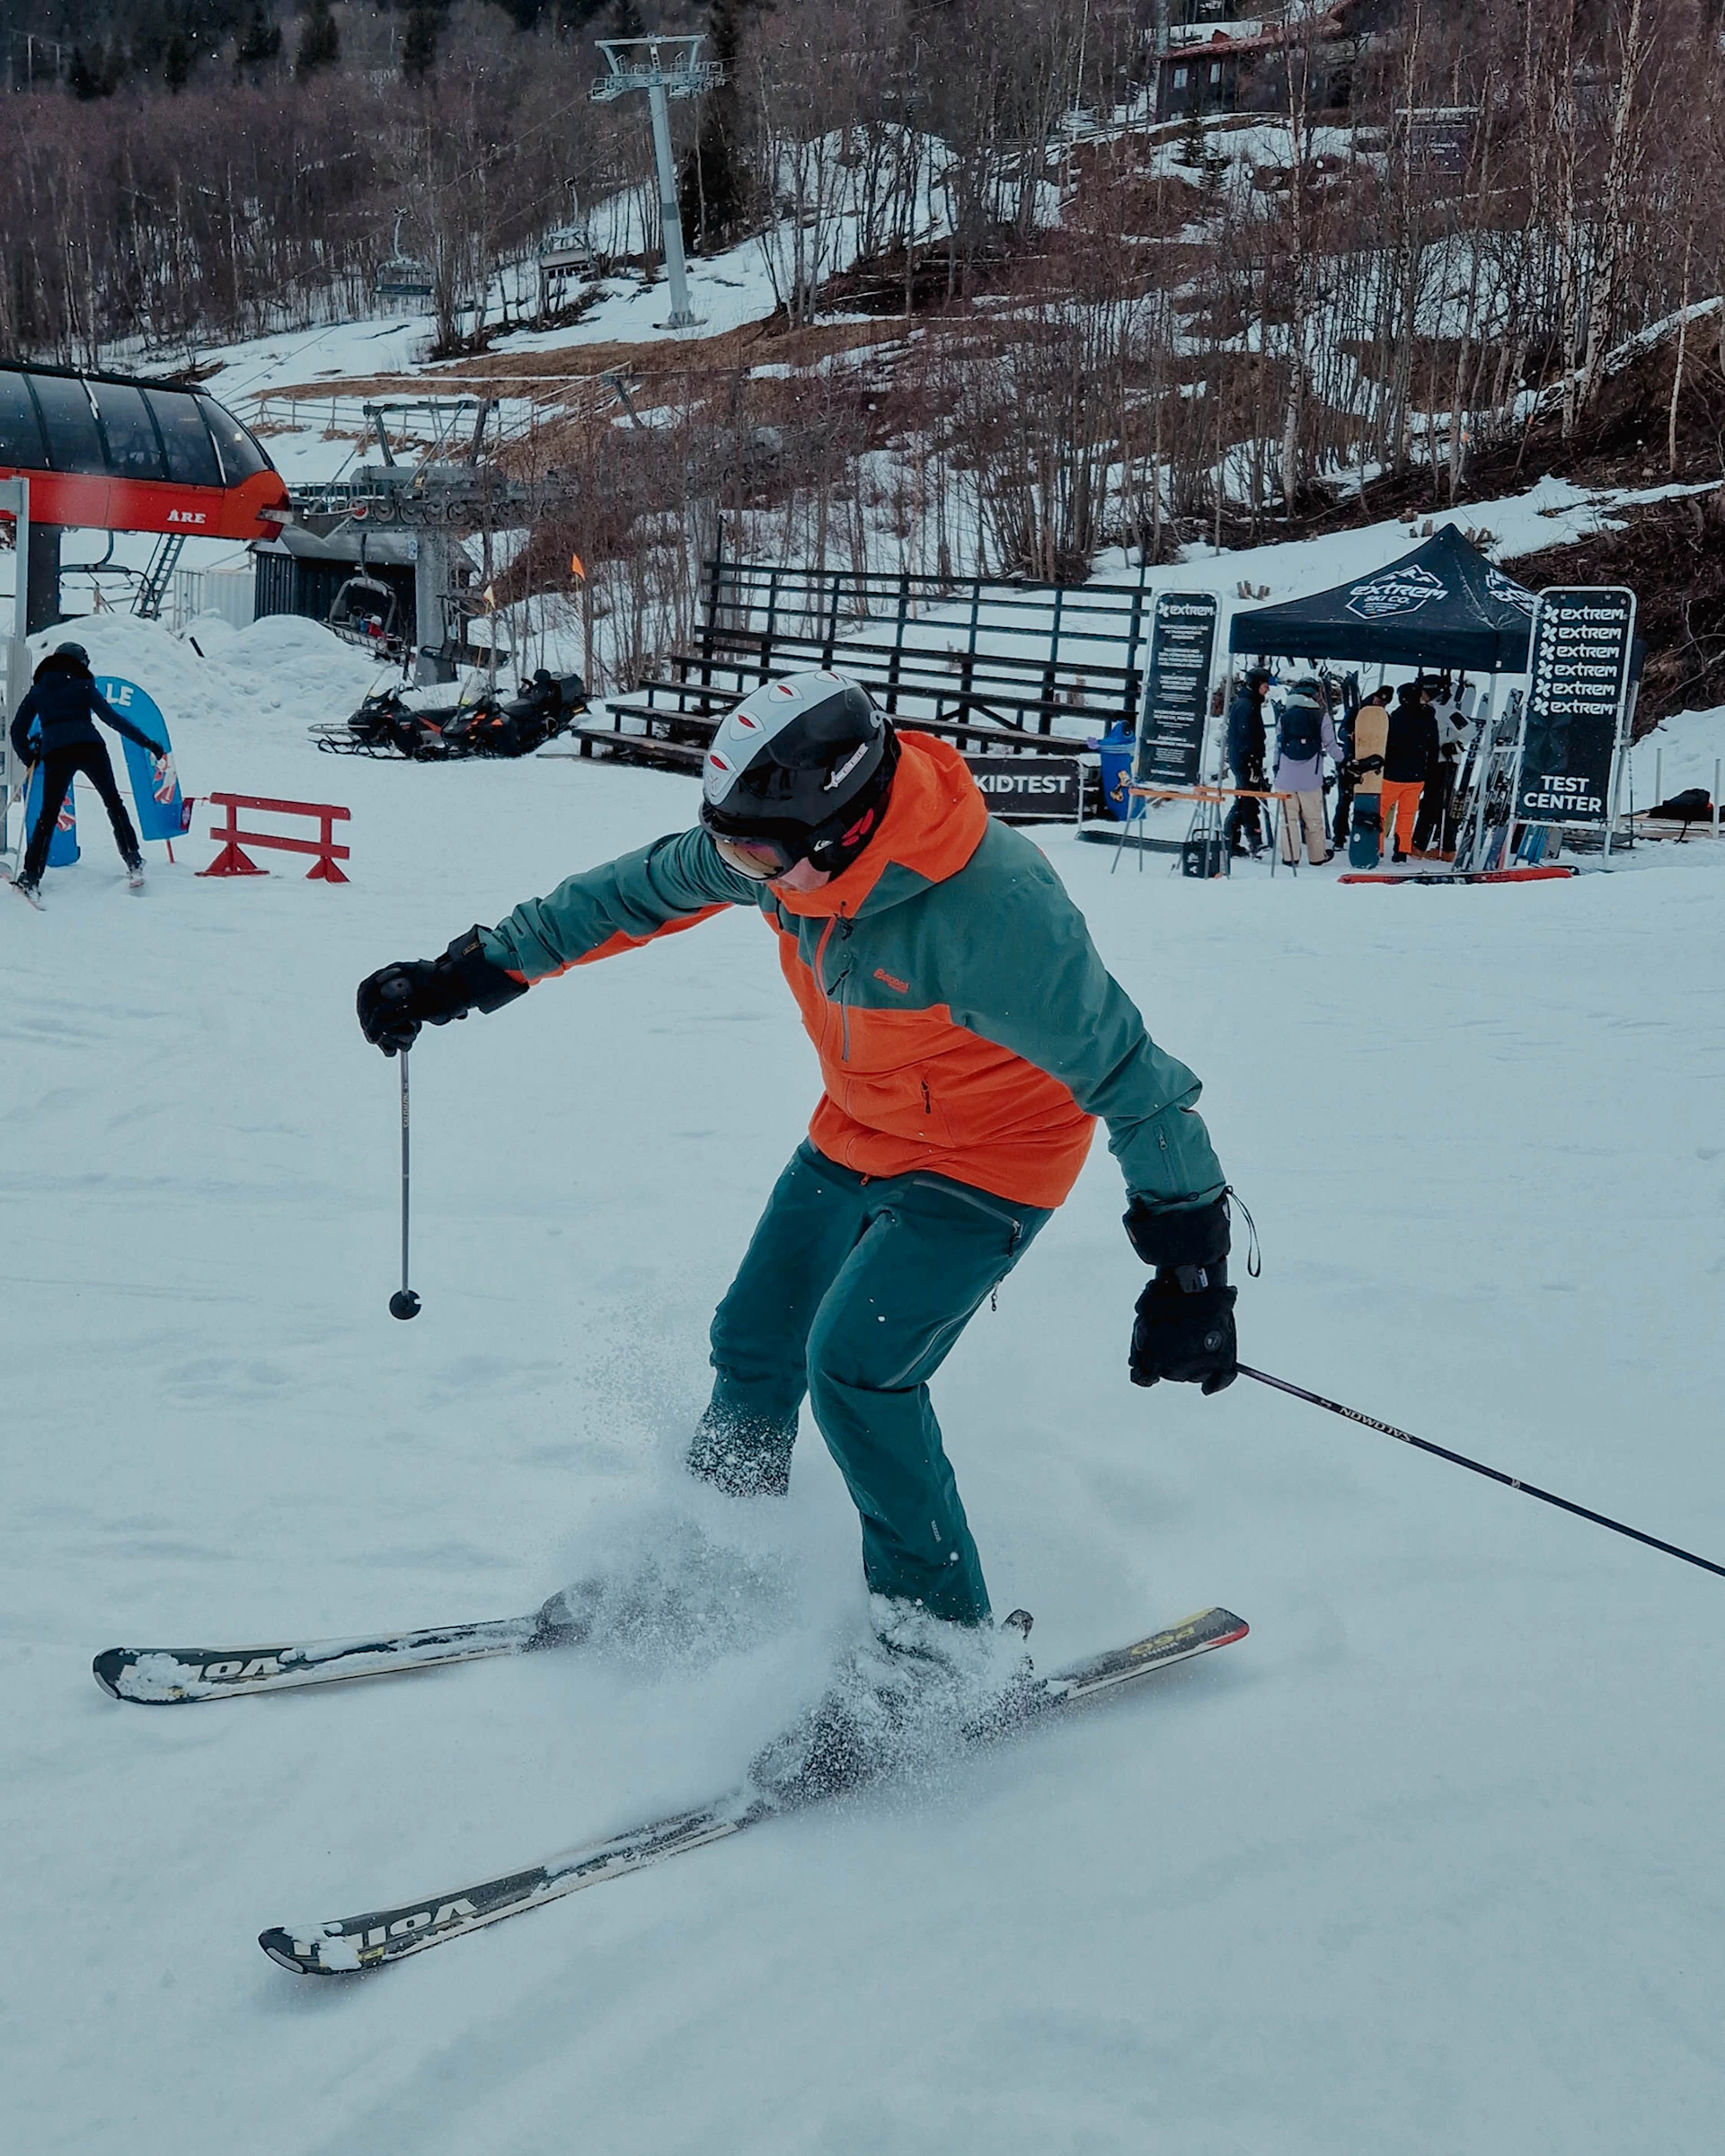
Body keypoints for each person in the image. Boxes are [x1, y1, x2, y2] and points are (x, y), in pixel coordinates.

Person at [356, 670, 1241, 1698]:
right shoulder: (783, 856)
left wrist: (1191, 1270)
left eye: (756, 852)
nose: (737, 870)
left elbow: (1139, 1081)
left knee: (857, 1369)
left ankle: (939, 1649)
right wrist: (469, 972)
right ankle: (719, 1557)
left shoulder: (995, 911)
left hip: (994, 1159)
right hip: (859, 1127)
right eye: (727, 842)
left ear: (848, 821)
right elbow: (633, 890)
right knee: (755, 1339)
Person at [7, 641, 167, 902]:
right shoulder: (83, 685)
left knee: (47, 816)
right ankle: (133, 860)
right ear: (80, 662)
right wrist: (148, 743)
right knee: (114, 803)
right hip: (91, 749)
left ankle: (31, 877)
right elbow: (112, 718)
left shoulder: (38, 691)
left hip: (57, 754)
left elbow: (16, 731)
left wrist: (29, 756)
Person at [1272, 676, 1340, 867]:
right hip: (1310, 779)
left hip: (1285, 778)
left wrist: (1276, 769)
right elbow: (1331, 745)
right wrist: (1346, 759)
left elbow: (1278, 746)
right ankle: (1317, 856)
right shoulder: (1321, 716)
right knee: (1313, 820)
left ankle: (1291, 857)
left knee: (1288, 819)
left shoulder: (1284, 716)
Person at [1381, 676, 1440, 863]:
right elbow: (1434, 748)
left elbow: (1384, 743)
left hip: (1392, 773)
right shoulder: (1430, 719)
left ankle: (1377, 847)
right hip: (1416, 776)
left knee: (1380, 811)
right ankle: (1401, 850)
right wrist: (1429, 772)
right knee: (1407, 815)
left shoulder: (1395, 718)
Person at [1222, 668, 1270, 860]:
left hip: (1244, 759)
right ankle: (1250, 839)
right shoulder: (1246, 705)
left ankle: (1232, 838)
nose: (1267, 690)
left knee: (1245, 798)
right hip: (1245, 760)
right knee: (1247, 799)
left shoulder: (1247, 703)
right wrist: (1252, 763)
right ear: (1256, 684)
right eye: (1265, 686)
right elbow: (1246, 737)